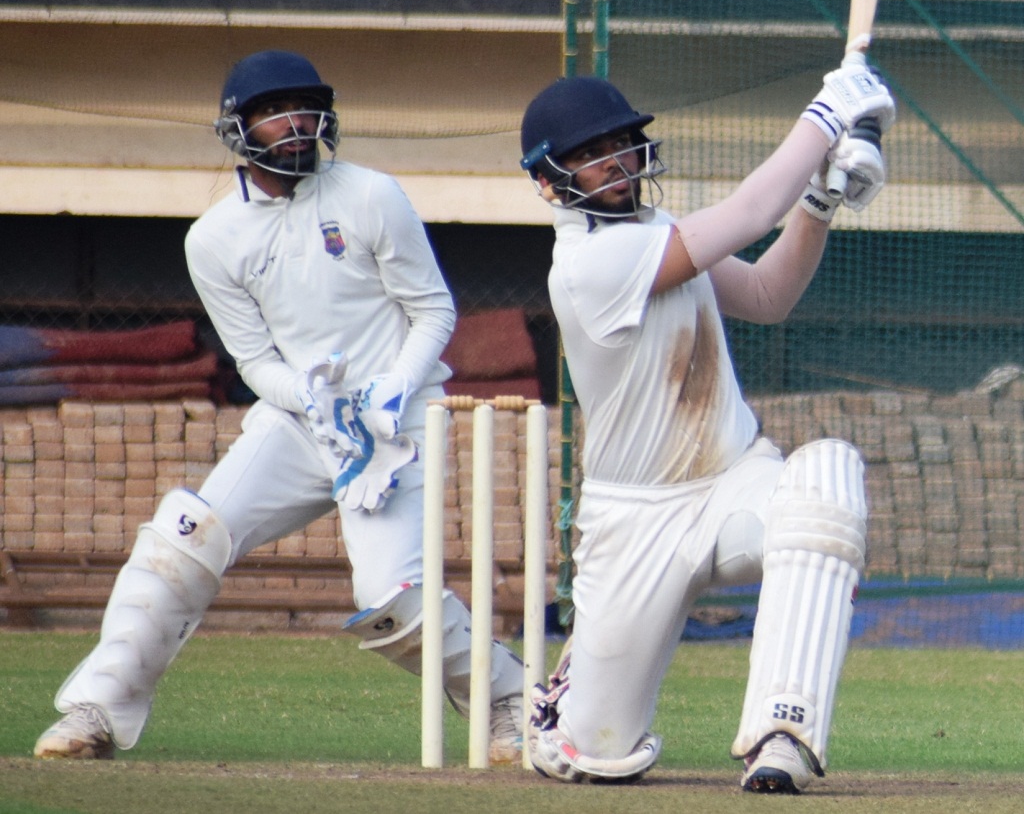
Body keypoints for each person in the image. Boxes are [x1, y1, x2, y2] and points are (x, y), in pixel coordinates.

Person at [34, 49, 524, 764]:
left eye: (303, 108)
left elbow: (433, 310)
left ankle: (509, 698)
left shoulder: (371, 195)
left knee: (391, 600)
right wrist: (309, 397)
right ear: (238, 129)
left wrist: (393, 387)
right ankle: (95, 710)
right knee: (185, 534)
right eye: (272, 112)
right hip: (300, 422)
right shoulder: (214, 238)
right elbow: (256, 360)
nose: (294, 124)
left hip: (397, 424)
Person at [518, 60, 895, 792]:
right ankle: (569, 701)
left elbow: (766, 292)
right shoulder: (590, 263)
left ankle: (782, 730)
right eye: (590, 154)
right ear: (548, 180)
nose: (616, 162)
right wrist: (824, 117)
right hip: (633, 521)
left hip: (732, 481)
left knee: (826, 477)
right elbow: (753, 211)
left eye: (621, 144)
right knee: (597, 753)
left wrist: (819, 200)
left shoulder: (654, 232)